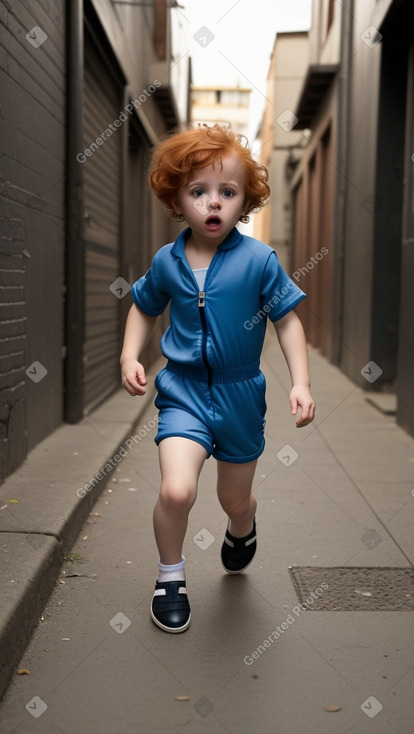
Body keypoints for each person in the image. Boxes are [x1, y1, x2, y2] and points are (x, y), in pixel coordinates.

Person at [120, 124, 315, 634]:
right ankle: (170, 577)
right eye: (198, 191)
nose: (214, 203)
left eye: (227, 192)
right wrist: (129, 356)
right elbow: (142, 307)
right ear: (176, 198)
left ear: (244, 200)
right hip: (182, 391)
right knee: (178, 490)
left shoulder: (259, 261)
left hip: (240, 393)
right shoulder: (168, 261)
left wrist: (301, 382)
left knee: (234, 497)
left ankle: (242, 526)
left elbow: (287, 319)